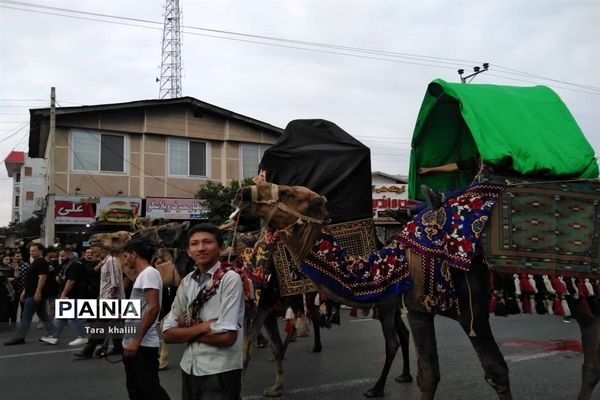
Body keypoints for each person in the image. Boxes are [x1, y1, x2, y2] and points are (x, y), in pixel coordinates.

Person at [163, 223, 245, 400]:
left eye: (207, 242)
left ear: (220, 247)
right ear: (188, 250)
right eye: (194, 244)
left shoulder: (230, 279)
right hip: (189, 367)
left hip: (220, 370)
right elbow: (167, 333)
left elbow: (227, 337)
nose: (201, 248)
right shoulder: (187, 282)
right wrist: (202, 328)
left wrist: (185, 331)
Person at [121, 237, 170, 400]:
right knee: (135, 390)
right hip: (133, 342)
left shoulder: (149, 273)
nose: (125, 259)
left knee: (150, 390)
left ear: (134, 254)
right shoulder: (143, 275)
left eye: (126, 255)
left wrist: (136, 340)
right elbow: (141, 306)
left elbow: (153, 307)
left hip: (142, 344)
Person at [387, 156, 482, 221]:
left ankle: (412, 212)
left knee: (470, 188)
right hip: (466, 195)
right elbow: (453, 166)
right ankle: (410, 212)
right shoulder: (475, 160)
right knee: (439, 203)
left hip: (479, 192)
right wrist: (429, 169)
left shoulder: (493, 163)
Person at [74, 244, 125, 358]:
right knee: (111, 325)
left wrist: (111, 298)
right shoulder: (105, 261)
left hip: (111, 299)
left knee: (100, 325)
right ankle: (117, 347)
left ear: (103, 250)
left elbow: (114, 281)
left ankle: (88, 350)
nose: (94, 253)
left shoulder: (111, 261)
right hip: (107, 297)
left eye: (95, 251)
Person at [4, 243, 54, 345]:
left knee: (26, 316)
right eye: (30, 251)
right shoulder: (35, 262)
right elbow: (31, 279)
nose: (31, 252)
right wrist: (24, 291)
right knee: (43, 314)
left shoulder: (41, 262)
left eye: (34, 250)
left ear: (41, 251)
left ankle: (20, 337)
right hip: (31, 293)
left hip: (34, 294)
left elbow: (42, 277)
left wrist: (38, 292)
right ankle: (54, 333)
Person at [40, 248, 88, 346]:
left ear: (70, 255)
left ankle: (82, 337)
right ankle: (54, 337)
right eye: (60, 256)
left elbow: (71, 282)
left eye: (63, 256)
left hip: (74, 295)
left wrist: (63, 295)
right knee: (61, 317)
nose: (61, 258)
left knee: (75, 317)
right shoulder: (65, 265)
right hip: (68, 295)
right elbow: (64, 278)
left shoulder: (75, 265)